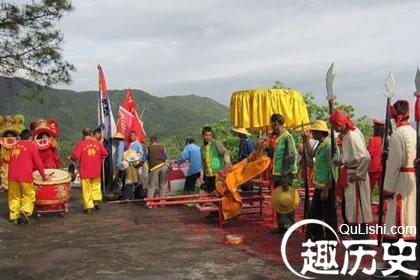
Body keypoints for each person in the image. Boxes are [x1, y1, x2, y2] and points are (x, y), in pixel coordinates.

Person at [330, 109, 372, 240]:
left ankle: (361, 240)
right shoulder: (349, 134)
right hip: (351, 173)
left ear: (338, 124)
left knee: (357, 209)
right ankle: (357, 238)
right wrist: (342, 161)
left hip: (355, 177)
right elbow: (353, 156)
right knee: (352, 207)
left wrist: (358, 174)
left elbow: (365, 158)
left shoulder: (352, 135)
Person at [383, 101, 417, 242]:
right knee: (410, 215)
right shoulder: (414, 133)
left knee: (398, 217)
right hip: (412, 179)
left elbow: (394, 164)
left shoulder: (397, 134)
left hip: (400, 181)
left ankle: (397, 253)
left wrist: (388, 189)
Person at [303, 120, 339, 240]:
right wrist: (305, 140)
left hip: (326, 187)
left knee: (328, 216)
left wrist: (326, 189)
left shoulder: (329, 146)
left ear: (320, 132)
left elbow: (333, 169)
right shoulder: (320, 144)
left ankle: (330, 240)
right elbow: (311, 153)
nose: (312, 133)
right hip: (320, 186)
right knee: (314, 214)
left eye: (314, 131)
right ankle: (319, 237)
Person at [8, 129, 47, 224]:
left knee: (14, 196)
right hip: (25, 175)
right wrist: (43, 175)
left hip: (12, 175)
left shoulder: (14, 146)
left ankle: (15, 216)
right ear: (30, 137)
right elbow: (38, 162)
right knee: (29, 194)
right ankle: (25, 211)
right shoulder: (32, 145)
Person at [269, 114, 298, 234]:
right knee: (279, 199)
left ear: (278, 124)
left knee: (286, 199)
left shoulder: (287, 137)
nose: (272, 127)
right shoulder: (278, 138)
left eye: (273, 124)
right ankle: (282, 225)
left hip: (286, 174)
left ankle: (289, 226)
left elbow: (290, 157)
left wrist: (285, 176)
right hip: (279, 174)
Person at [71, 128, 108, 213]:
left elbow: (75, 156)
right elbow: (105, 153)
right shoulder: (98, 144)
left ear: (83, 135)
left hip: (85, 170)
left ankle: (88, 207)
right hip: (96, 169)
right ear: (91, 134)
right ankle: (96, 200)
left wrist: (72, 157)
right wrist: (99, 158)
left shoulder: (81, 144)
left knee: (86, 188)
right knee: (95, 185)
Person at [200, 126, 231, 193]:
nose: (208, 137)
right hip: (208, 175)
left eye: (210, 135)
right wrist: (201, 176)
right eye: (206, 135)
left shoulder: (216, 143)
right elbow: (203, 163)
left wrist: (227, 163)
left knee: (219, 194)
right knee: (210, 194)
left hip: (218, 175)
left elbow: (225, 152)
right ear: (203, 136)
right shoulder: (202, 148)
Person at [143, 136, 168, 201]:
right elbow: (166, 158)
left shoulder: (148, 148)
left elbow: (144, 159)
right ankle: (162, 202)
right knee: (162, 184)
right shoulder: (163, 147)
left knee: (151, 186)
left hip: (154, 167)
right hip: (164, 166)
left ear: (151, 141)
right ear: (156, 141)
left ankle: (150, 203)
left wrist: (137, 165)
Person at [367, 119, 384, 194]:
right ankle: (383, 206)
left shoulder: (372, 140)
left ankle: (367, 205)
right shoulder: (385, 140)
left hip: (373, 169)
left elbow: (370, 153)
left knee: (369, 189)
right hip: (382, 168)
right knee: (382, 190)